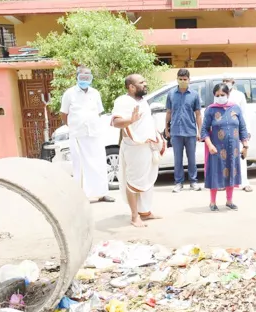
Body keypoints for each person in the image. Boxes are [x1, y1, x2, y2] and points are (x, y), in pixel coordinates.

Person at [111, 74, 163, 228]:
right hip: (134, 148)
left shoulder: (142, 100)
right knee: (134, 182)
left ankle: (145, 212)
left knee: (147, 181)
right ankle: (135, 217)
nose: (145, 84)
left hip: (147, 146)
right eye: (141, 82)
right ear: (131, 87)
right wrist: (130, 120)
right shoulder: (122, 101)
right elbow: (116, 122)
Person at [60, 66, 115, 203]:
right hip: (78, 134)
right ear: (77, 77)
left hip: (95, 133)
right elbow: (63, 114)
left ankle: (102, 193)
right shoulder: (69, 93)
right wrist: (73, 125)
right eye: (82, 76)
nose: (85, 79)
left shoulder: (95, 93)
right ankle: (82, 195)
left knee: (99, 163)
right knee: (81, 164)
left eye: (88, 76)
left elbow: (98, 112)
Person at [201, 83, 249, 211]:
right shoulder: (210, 110)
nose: (220, 97)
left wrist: (245, 145)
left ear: (228, 95)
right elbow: (204, 130)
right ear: (214, 96)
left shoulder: (236, 108)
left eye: (223, 95)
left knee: (232, 172)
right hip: (216, 149)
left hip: (233, 148)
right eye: (217, 95)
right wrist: (209, 144)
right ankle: (212, 202)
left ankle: (229, 201)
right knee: (215, 173)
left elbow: (242, 128)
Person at [165, 68, 202, 193]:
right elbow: (169, 112)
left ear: (189, 80)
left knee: (192, 158)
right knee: (177, 159)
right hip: (176, 131)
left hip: (190, 131)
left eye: (185, 79)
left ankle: (193, 181)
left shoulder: (194, 95)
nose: (182, 81)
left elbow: (198, 114)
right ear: (177, 79)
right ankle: (178, 182)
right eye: (180, 79)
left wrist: (199, 131)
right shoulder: (171, 94)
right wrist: (166, 128)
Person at [222, 74, 253, 192]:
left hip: (238, 130)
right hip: (224, 131)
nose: (226, 82)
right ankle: (225, 183)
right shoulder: (220, 94)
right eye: (224, 81)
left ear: (233, 82)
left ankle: (244, 183)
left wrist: (247, 131)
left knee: (241, 157)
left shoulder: (239, 95)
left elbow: (244, 114)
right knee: (225, 157)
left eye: (228, 81)